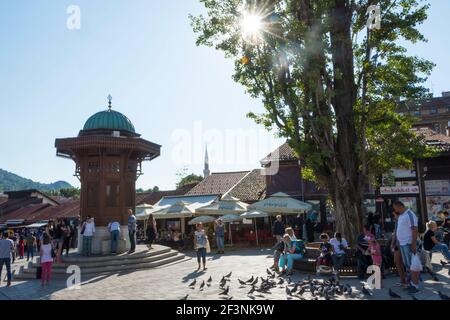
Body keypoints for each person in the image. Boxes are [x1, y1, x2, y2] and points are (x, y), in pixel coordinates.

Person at [393, 200, 420, 293]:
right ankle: (411, 284)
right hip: (402, 244)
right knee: (408, 266)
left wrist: (413, 244)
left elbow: (415, 229)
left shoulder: (410, 214)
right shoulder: (401, 215)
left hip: (408, 243)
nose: (395, 210)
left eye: (395, 208)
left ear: (400, 206)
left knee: (412, 266)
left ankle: (415, 286)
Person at [390, 211, 407, 287]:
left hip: (402, 244)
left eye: (394, 215)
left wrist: (393, 243)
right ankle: (403, 280)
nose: (394, 217)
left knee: (400, 262)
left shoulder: (401, 221)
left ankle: (404, 280)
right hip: (398, 244)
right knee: (397, 262)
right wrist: (392, 243)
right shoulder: (397, 221)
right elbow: (395, 233)